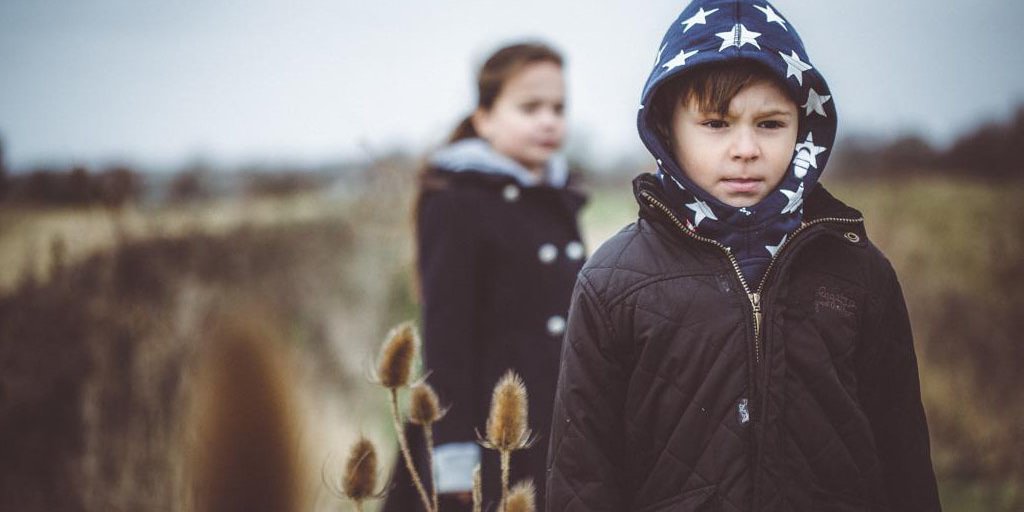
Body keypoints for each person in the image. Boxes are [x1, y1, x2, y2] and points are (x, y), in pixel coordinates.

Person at [545, 1, 941, 511]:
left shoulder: (860, 273)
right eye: (716, 123)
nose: (746, 148)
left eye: (770, 124)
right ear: (668, 130)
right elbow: (582, 476)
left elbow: (904, 456)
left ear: (804, 128)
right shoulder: (613, 282)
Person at [382, 42, 586, 512]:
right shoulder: (458, 201)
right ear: (484, 117)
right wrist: (453, 455)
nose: (549, 120)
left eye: (558, 107)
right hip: (481, 431)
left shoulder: (557, 197)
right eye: (529, 107)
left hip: (549, 427)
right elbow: (446, 335)